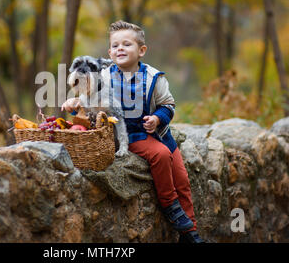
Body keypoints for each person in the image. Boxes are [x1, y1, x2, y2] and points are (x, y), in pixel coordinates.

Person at [62, 20, 204, 243]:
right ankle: (169, 205)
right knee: (160, 155)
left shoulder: (154, 78)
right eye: (115, 45)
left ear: (141, 50)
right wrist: (74, 101)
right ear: (109, 52)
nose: (120, 48)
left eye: (127, 44)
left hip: (158, 133)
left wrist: (158, 118)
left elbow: (168, 105)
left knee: (182, 177)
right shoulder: (104, 75)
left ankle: (190, 232)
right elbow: (87, 95)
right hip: (128, 135)